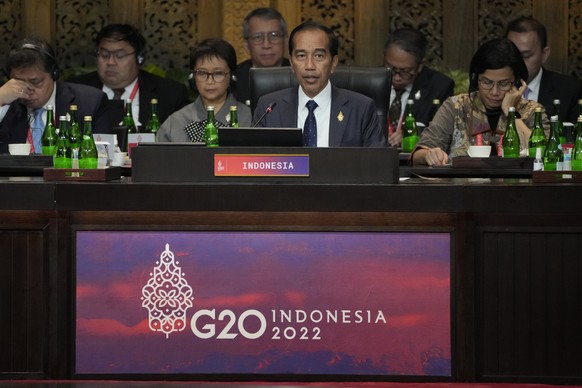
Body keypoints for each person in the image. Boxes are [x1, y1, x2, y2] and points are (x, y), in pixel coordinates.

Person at [412, 38, 549, 166]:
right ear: (476, 79)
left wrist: (511, 113)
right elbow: (418, 154)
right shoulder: (456, 106)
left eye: (504, 83)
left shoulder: (532, 110)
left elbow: (544, 156)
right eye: (487, 82)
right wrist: (428, 155)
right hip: (463, 189)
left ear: (518, 81)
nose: (494, 92)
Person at [253, 21, 386, 147]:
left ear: (333, 63)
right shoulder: (269, 108)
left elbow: (377, 164)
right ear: (292, 63)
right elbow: (255, 161)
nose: (309, 66)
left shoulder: (361, 109)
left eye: (318, 56)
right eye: (301, 56)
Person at [0, 37, 112, 154]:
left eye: (35, 82)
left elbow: (105, 156)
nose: (27, 90)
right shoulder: (5, 104)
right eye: (19, 83)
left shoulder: (91, 102)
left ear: (54, 74)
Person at [68, 23, 190, 129]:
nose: (110, 62)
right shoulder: (74, 91)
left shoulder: (170, 94)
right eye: (104, 54)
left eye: (120, 55)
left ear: (139, 58)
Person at [156, 38, 251, 142]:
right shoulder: (175, 122)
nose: (210, 81)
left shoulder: (250, 119)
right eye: (202, 73)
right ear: (193, 76)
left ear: (232, 75)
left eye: (218, 73)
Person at [384, 28, 455, 146]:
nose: (396, 77)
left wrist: (412, 135)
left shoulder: (439, 87)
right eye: (391, 69)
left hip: (416, 159)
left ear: (420, 66)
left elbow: (444, 132)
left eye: (405, 71)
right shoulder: (370, 81)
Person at [506, 16, 582, 123]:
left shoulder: (570, 90)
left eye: (526, 56)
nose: (517, 63)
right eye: (512, 55)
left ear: (544, 54)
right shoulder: (494, 89)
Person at [234, 7, 290, 106]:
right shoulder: (234, 80)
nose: (266, 45)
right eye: (257, 37)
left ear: (285, 41)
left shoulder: (300, 74)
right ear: (246, 45)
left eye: (274, 35)